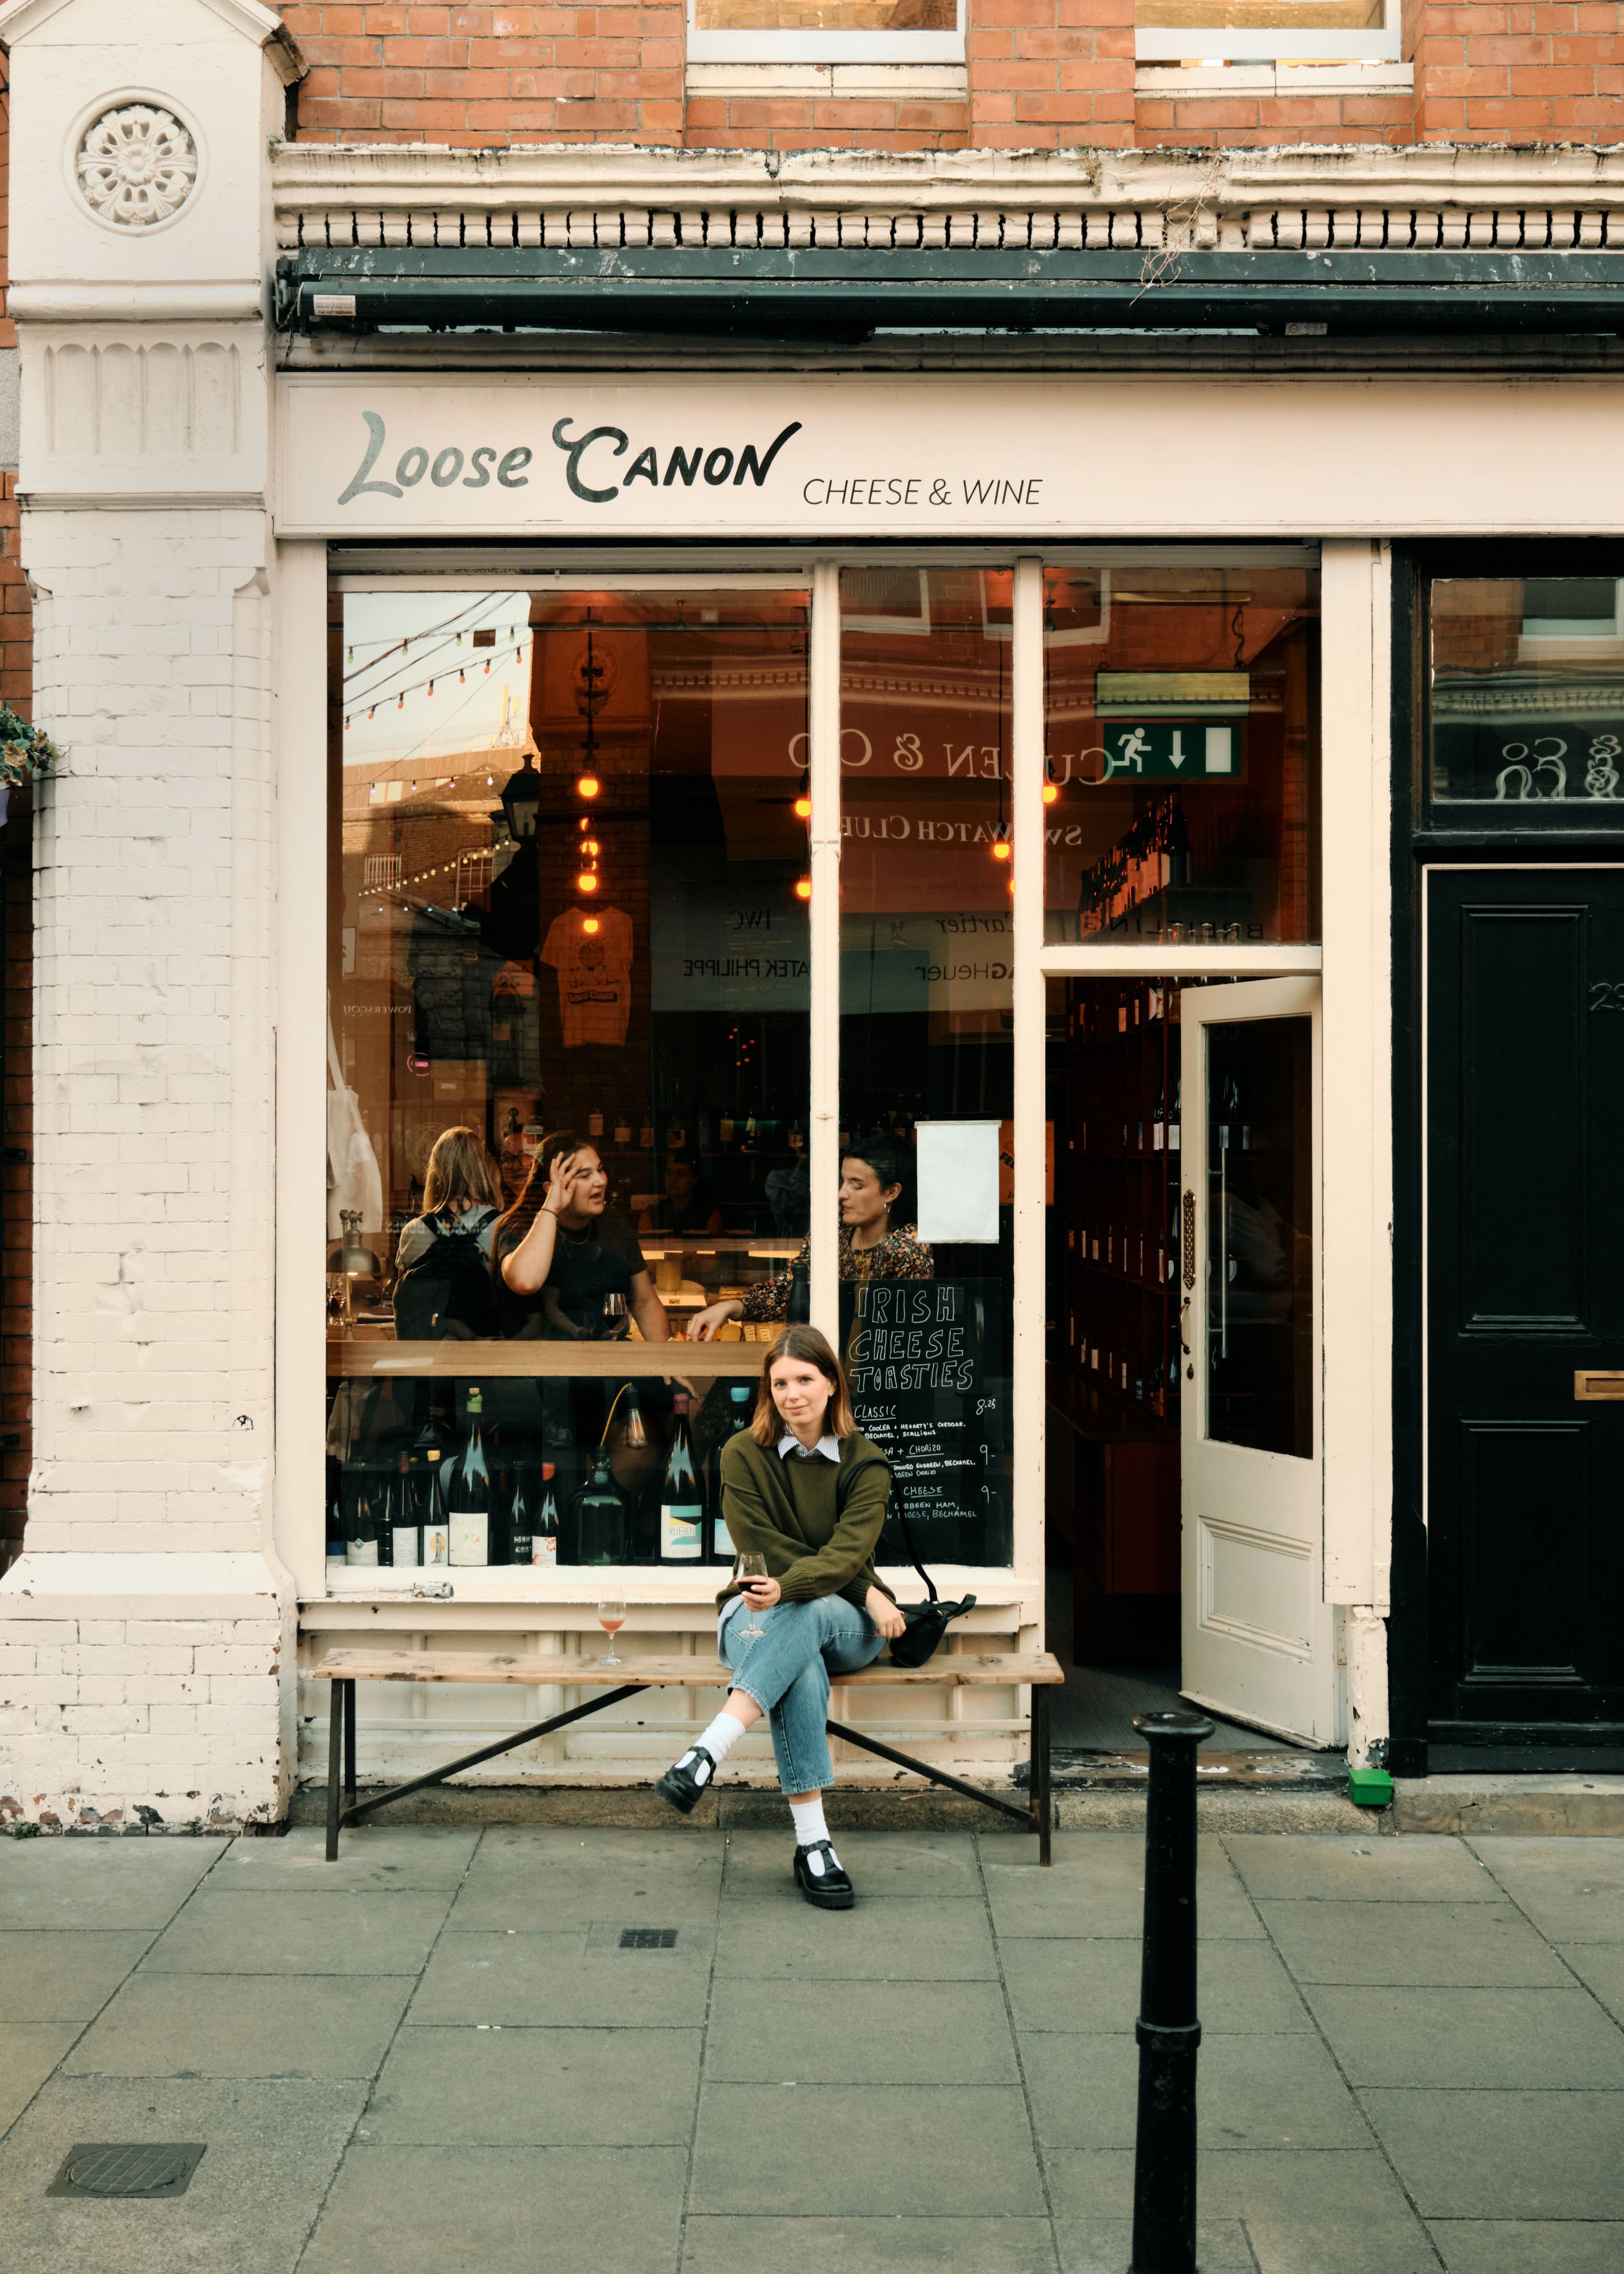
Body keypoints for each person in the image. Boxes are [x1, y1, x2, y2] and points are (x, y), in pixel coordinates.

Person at [653, 1325, 907, 1909]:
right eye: (780, 1383)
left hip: (844, 1622)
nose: (793, 1394)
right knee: (802, 1671)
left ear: (831, 1384)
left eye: (805, 1379)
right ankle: (815, 1846)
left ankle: (709, 1749)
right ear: (769, 1391)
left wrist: (856, 1591)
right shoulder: (743, 1452)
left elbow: (847, 1551)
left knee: (813, 1609)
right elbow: (756, 1542)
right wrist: (861, 1586)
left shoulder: (866, 1462)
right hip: (754, 1612)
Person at [685, 1141, 931, 1340]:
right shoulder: (836, 1228)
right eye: (843, 1181)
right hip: (826, 1366)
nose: (841, 1193)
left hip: (878, 1379)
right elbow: (791, 1286)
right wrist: (731, 1306)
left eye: (856, 1186)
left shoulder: (907, 1247)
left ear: (891, 1192)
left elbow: (904, 1335)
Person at [493, 1130, 673, 1343]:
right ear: (550, 1189)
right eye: (585, 1176)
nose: (601, 1182)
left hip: (606, 1361)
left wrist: (667, 1363)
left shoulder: (613, 1224)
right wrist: (552, 1206)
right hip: (541, 1367)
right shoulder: (517, 1226)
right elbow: (525, 1282)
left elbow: (644, 1302)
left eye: (600, 1170)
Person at [395, 1127, 503, 1273]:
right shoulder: (502, 1226)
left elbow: (406, 1292)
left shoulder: (414, 1231)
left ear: (435, 1173)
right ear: (485, 1170)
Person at [638, 1152, 724, 1238]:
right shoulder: (652, 1214)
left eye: (681, 1174)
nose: (673, 1180)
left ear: (694, 1180)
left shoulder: (710, 1215)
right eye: (669, 1173)